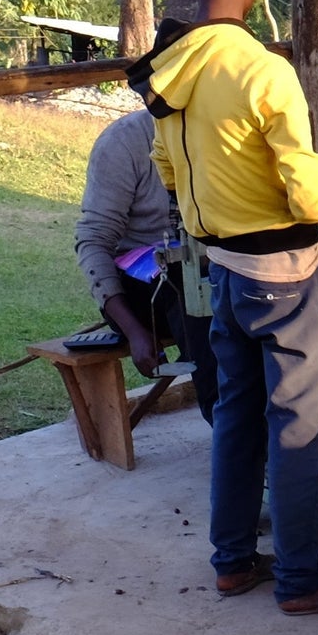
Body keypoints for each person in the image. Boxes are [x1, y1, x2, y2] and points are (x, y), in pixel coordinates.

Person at [134, 0, 318, 614]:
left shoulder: (168, 70)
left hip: (220, 271)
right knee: (301, 427)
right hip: (285, 274)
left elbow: (167, 168)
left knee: (238, 415)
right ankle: (303, 581)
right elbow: (305, 195)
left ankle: (233, 561)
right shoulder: (263, 72)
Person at [73, 108, 217, 420]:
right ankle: (230, 428)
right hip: (146, 291)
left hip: (214, 268)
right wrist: (135, 332)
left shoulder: (222, 127)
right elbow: (93, 240)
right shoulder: (124, 142)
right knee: (189, 282)